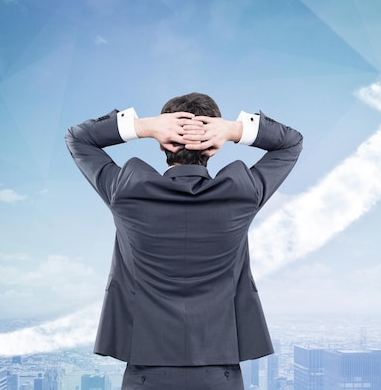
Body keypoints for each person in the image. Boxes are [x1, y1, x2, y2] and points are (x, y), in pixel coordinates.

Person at [65, 92, 303, 390]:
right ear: (212, 148)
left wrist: (144, 127)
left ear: (163, 143)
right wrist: (233, 130)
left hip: (147, 372)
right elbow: (290, 142)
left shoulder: (127, 190)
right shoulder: (243, 192)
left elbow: (78, 138)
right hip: (220, 372)